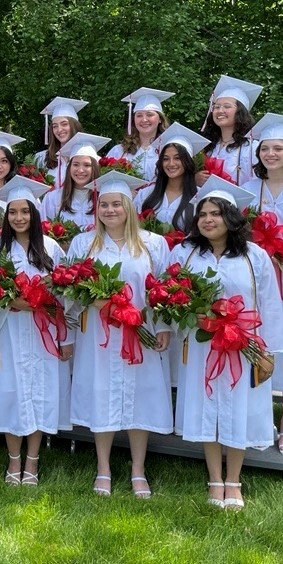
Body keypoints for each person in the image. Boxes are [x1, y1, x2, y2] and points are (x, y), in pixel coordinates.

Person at [169, 176, 283, 510]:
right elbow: (170, 294)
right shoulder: (186, 253)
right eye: (203, 214)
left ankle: (233, 480)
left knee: (240, 409)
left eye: (216, 214)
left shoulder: (255, 256)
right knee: (207, 406)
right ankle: (214, 479)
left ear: (231, 218)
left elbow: (269, 303)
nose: (208, 219)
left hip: (243, 345)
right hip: (203, 343)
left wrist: (268, 348)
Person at [68, 171, 172, 499]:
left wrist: (165, 326)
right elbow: (70, 288)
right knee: (102, 396)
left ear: (129, 207)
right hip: (100, 335)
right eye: (104, 205)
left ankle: (137, 469)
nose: (110, 210)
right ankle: (103, 468)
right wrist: (100, 301)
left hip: (142, 333)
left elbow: (165, 289)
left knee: (140, 398)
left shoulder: (153, 244)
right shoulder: (82, 244)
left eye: (117, 204)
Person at [0, 176, 73, 486]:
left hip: (43, 332)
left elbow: (67, 296)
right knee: (11, 392)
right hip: (9, 331)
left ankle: (33, 460)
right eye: (13, 212)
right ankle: (13, 459)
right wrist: (11, 300)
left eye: (25, 211)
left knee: (40, 393)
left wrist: (66, 337)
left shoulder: (52, 249)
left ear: (35, 214)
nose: (19, 218)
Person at [243, 113, 283, 456]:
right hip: (257, 281)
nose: (271, 154)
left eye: (277, 148)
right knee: (259, 342)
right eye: (265, 148)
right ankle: (258, 415)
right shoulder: (249, 190)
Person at [134, 123, 209, 232]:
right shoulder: (144, 195)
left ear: (188, 161)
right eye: (165, 159)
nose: (171, 163)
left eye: (177, 158)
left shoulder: (200, 197)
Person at [197, 75, 262, 186]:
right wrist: (196, 179)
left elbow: (259, 184)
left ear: (240, 112)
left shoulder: (252, 148)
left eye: (227, 106)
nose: (220, 111)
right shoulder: (208, 147)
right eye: (216, 107)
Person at [41, 132, 110, 230]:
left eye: (87, 165)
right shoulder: (53, 199)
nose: (80, 170)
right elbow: (44, 234)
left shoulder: (104, 198)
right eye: (76, 164)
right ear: (69, 167)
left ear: (94, 168)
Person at [106, 88, 174, 182]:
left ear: (160, 119)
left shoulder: (170, 150)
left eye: (149, 115)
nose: (144, 120)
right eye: (139, 115)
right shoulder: (119, 151)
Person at [33, 97, 88, 187]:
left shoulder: (88, 156)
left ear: (74, 125)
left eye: (64, 124)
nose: (59, 130)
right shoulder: (42, 159)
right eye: (55, 126)